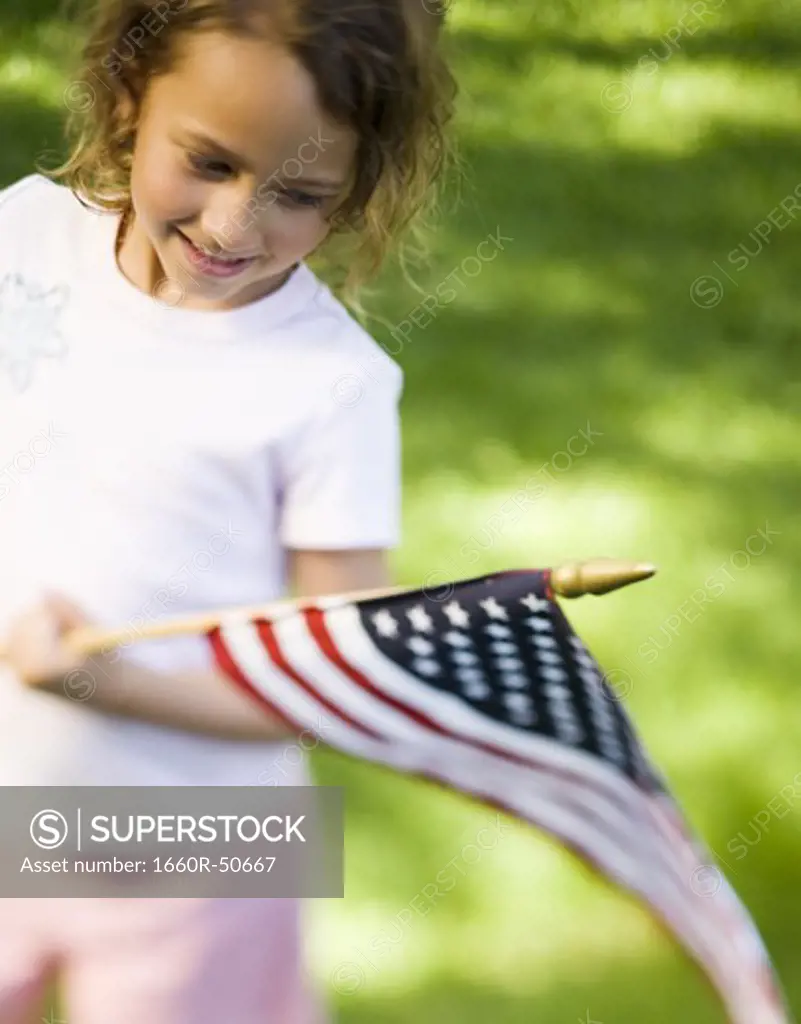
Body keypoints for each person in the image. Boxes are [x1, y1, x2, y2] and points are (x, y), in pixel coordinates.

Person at [0, 0, 456, 1021]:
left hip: (202, 848)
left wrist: (105, 682)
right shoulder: (21, 231)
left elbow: (339, 680)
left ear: (354, 195)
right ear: (129, 102)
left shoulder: (332, 386)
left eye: (299, 193)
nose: (232, 226)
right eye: (207, 163)